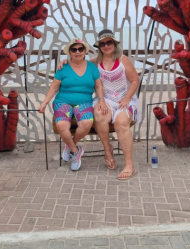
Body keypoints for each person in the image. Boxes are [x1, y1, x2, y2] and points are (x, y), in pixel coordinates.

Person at [59, 30, 139, 180]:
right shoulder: (95, 61)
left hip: (124, 99)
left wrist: (127, 98)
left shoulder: (123, 60)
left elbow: (135, 80)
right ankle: (107, 150)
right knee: (99, 114)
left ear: (114, 44)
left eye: (109, 42)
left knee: (121, 123)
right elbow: (77, 62)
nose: (106, 45)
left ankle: (129, 165)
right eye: (103, 43)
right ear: (99, 46)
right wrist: (65, 61)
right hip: (105, 99)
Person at [39, 38, 106, 171]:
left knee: (86, 123)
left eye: (80, 49)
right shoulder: (63, 67)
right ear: (69, 52)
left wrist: (101, 100)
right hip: (63, 101)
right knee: (61, 125)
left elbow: (98, 86)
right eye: (74, 49)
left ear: (85, 51)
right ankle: (75, 151)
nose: (77, 52)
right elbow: (53, 87)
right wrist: (45, 102)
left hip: (84, 101)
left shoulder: (92, 67)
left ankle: (71, 145)